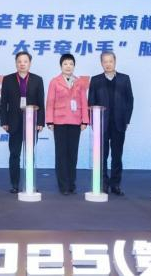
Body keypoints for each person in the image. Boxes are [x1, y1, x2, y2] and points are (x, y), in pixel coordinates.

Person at [87, 51, 134, 196]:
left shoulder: (125, 79)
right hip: (101, 124)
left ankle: (115, 185)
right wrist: (93, 122)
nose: (108, 64)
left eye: (110, 61)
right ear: (101, 63)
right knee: (102, 156)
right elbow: (91, 102)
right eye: (105, 61)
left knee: (117, 156)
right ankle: (103, 184)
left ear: (115, 62)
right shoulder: (95, 80)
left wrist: (126, 120)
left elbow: (130, 101)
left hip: (119, 123)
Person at [0, 51, 45, 193]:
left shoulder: (37, 79)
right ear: (16, 63)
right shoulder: (8, 79)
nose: (22, 64)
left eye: (25, 61)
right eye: (19, 61)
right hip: (13, 123)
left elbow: (41, 103)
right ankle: (14, 184)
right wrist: (4, 121)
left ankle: (30, 182)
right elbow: (3, 102)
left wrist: (40, 122)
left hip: (32, 122)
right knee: (14, 154)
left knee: (30, 154)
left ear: (30, 63)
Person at [46, 53, 89, 195]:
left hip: (75, 122)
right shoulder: (54, 81)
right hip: (59, 122)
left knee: (73, 154)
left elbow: (84, 102)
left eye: (71, 64)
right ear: (61, 66)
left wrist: (85, 120)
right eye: (65, 64)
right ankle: (63, 185)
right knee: (61, 154)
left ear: (74, 66)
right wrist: (50, 120)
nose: (68, 66)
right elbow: (50, 102)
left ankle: (71, 184)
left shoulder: (80, 82)